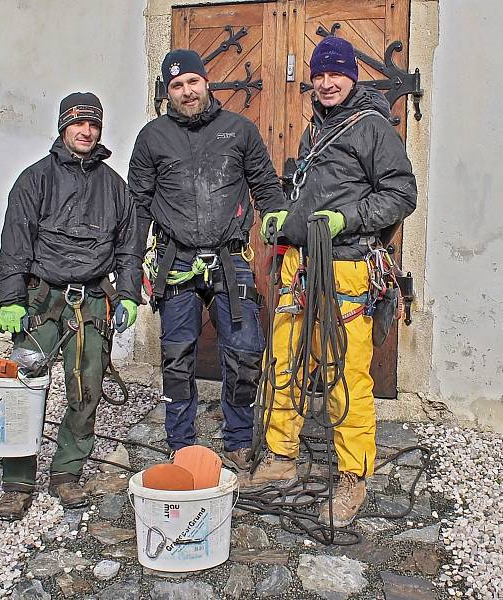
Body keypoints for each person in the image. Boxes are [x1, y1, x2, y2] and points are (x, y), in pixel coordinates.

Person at [250, 36, 417, 527]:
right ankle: (281, 457)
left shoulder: (373, 128)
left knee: (345, 374)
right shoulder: (313, 131)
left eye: (335, 74)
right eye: (319, 75)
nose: (326, 83)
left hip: (344, 266)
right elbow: (307, 195)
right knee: (285, 359)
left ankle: (353, 476)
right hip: (300, 266)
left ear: (352, 76)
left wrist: (348, 219)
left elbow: (401, 194)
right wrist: (283, 218)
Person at [128, 49, 286, 471]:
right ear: (168, 91)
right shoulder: (152, 137)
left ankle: (237, 438)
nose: (187, 91)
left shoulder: (239, 130)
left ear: (206, 81)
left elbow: (266, 188)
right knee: (177, 357)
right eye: (177, 86)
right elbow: (138, 206)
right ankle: (180, 442)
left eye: (192, 82)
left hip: (229, 257)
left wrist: (280, 224)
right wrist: (129, 272)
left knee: (245, 352)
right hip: (174, 260)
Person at [0, 92, 142, 520]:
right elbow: (15, 243)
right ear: (63, 127)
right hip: (42, 301)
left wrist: (129, 293)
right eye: (78, 124)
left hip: (92, 302)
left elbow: (128, 248)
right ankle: (17, 481)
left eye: (93, 124)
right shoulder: (34, 180)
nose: (86, 131)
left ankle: (66, 474)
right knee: (25, 387)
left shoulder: (115, 188)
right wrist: (9, 300)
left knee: (85, 390)